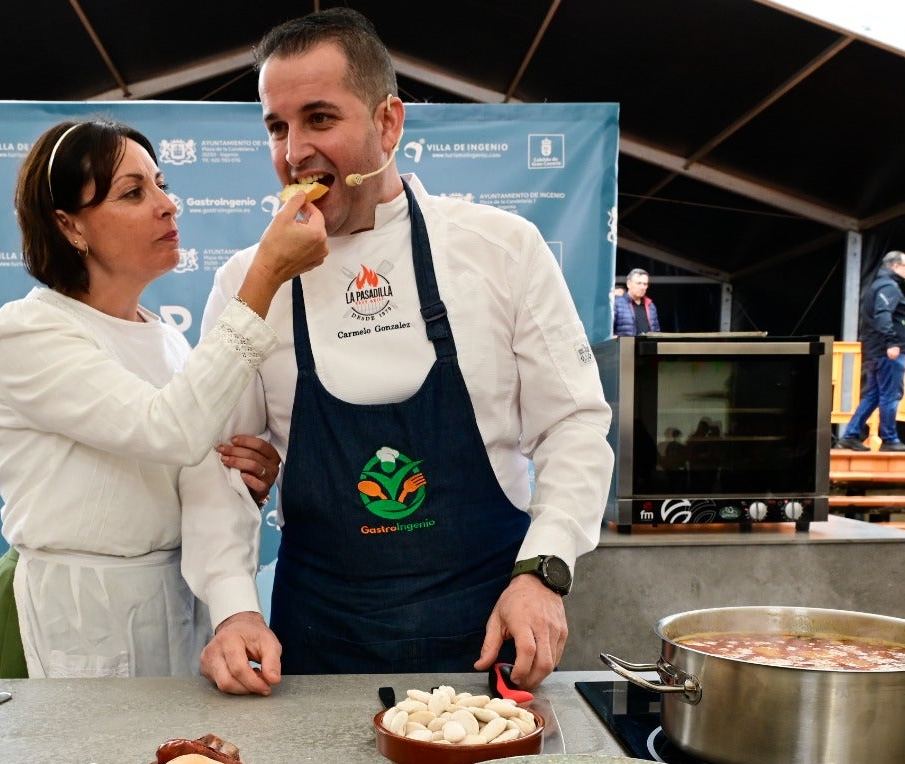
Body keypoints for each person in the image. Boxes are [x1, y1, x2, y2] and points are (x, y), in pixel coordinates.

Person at [182, 9, 614, 695]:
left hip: (485, 630)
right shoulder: (247, 280)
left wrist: (543, 572)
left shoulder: (501, 249)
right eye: (277, 126)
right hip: (316, 640)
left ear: (388, 123)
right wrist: (233, 609)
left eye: (320, 119)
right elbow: (221, 467)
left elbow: (574, 425)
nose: (294, 152)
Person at [0, 118, 327, 678]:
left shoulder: (164, 338)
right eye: (134, 193)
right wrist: (264, 276)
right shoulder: (28, 331)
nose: (168, 205)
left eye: (161, 184)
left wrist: (238, 477)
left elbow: (187, 461)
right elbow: (169, 429)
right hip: (70, 614)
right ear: (69, 225)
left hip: (170, 602)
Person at [836, 250, 905, 452]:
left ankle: (850, 435)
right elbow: (883, 315)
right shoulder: (888, 287)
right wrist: (891, 342)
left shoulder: (880, 285)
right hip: (886, 352)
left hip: (876, 350)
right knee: (890, 395)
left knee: (873, 394)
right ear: (896, 266)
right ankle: (890, 440)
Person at [612, 268, 660, 336]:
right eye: (639, 283)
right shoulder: (617, 304)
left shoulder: (650, 306)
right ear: (628, 284)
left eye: (645, 284)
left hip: (647, 346)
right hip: (625, 346)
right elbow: (609, 332)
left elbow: (656, 332)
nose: (642, 287)